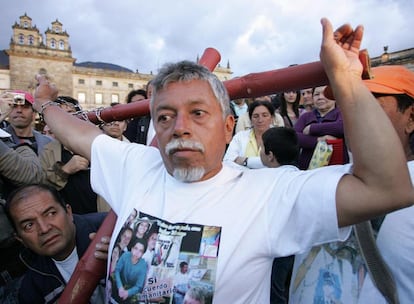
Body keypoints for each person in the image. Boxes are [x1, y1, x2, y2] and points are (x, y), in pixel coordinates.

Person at [32, 19, 414, 303]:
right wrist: (45, 100)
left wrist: (346, 81)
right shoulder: (136, 166)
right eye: (164, 116)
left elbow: (386, 188)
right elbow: (74, 131)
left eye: (198, 113)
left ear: (229, 127)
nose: (179, 127)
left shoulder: (267, 193)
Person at [357, 65, 414, 304]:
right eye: (351, 108)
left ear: (411, 118)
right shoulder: (338, 181)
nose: (355, 120)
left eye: (372, 109)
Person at [4, 184, 106, 304]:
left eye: (51, 213)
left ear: (68, 212)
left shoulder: (110, 229)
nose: (44, 228)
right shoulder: (32, 286)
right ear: (20, 239)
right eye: (29, 225)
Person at [39, 96, 99, 214]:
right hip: (68, 220)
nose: (66, 118)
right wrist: (64, 170)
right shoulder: (47, 151)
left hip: (101, 217)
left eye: (71, 113)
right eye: (60, 114)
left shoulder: (96, 144)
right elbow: (42, 188)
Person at [260, 127, 299, 304]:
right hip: (294, 246)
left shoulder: (265, 182)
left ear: (270, 155)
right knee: (283, 286)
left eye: (261, 148)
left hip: (273, 248)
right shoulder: (298, 176)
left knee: (273, 290)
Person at [294, 85, 349, 169]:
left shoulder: (342, 113)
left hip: (336, 168)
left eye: (325, 94)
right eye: (316, 94)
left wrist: (312, 128)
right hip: (308, 169)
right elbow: (294, 137)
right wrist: (318, 140)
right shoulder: (305, 117)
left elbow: (341, 127)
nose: (320, 97)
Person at [224, 100, 276, 168]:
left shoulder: (280, 137)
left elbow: (279, 163)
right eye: (255, 116)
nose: (260, 120)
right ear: (250, 119)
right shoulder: (240, 136)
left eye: (265, 115)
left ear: (272, 118)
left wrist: (245, 161)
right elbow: (227, 162)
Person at [4, 90, 52, 155]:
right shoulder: (1, 140)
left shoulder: (48, 143)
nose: (19, 110)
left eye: (25, 107)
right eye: (14, 106)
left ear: (34, 113)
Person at [112, 237, 147, 303]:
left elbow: (139, 286)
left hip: (131, 289)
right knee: (111, 277)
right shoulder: (125, 255)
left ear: (143, 254)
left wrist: (128, 293)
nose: (137, 252)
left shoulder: (143, 265)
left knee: (137, 298)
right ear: (132, 249)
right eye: (136, 248)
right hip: (120, 283)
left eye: (140, 251)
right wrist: (120, 287)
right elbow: (117, 270)